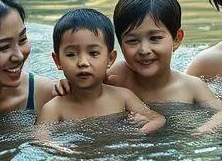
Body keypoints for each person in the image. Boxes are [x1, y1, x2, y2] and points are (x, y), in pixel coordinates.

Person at [103, 0, 222, 135]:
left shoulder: (191, 86)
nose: (144, 50)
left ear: (177, 39)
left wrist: (203, 130)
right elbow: (83, 87)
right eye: (132, 41)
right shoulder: (117, 75)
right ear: (121, 44)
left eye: (155, 38)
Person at [35, 8, 165, 139]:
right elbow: (40, 138)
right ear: (58, 61)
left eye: (93, 53)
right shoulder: (54, 108)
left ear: (110, 59)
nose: (83, 62)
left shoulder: (123, 97)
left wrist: (140, 132)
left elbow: (157, 119)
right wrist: (62, 151)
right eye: (71, 54)